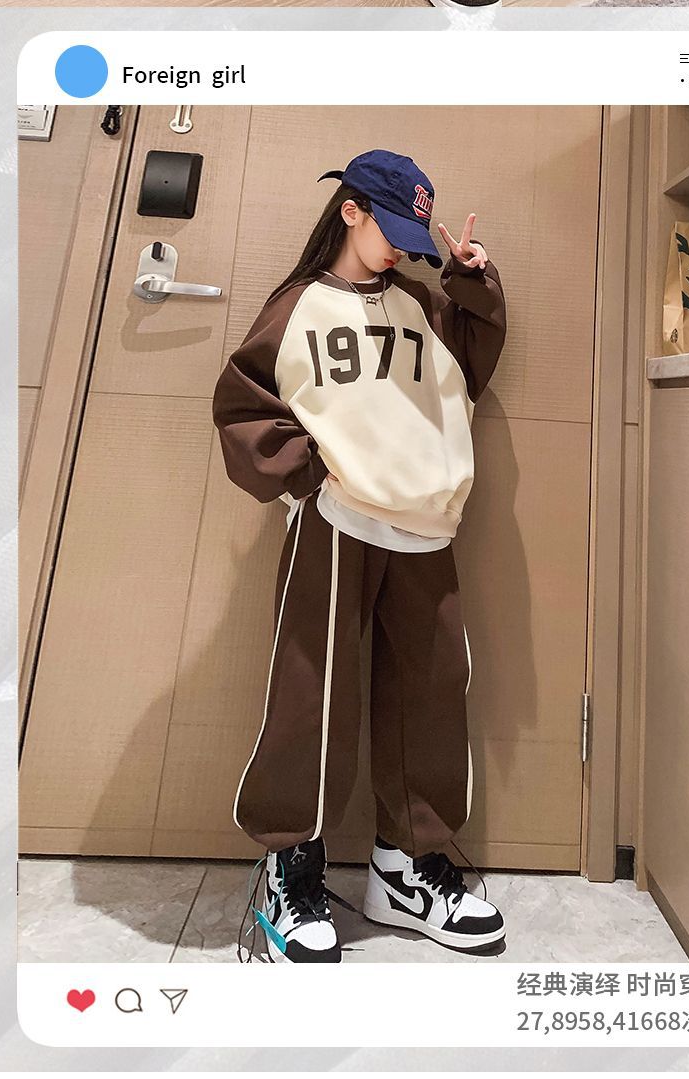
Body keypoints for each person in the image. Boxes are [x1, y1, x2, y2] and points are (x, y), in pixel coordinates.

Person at [212, 149, 507, 964]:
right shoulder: (299, 304)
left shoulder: (422, 304)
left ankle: (406, 870)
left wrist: (472, 281)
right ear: (351, 210)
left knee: (432, 696)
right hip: (338, 522)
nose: (399, 252)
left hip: (426, 526)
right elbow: (242, 402)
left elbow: (472, 367)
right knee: (313, 695)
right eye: (392, 232)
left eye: (415, 239)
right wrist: (310, 473)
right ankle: (291, 868)